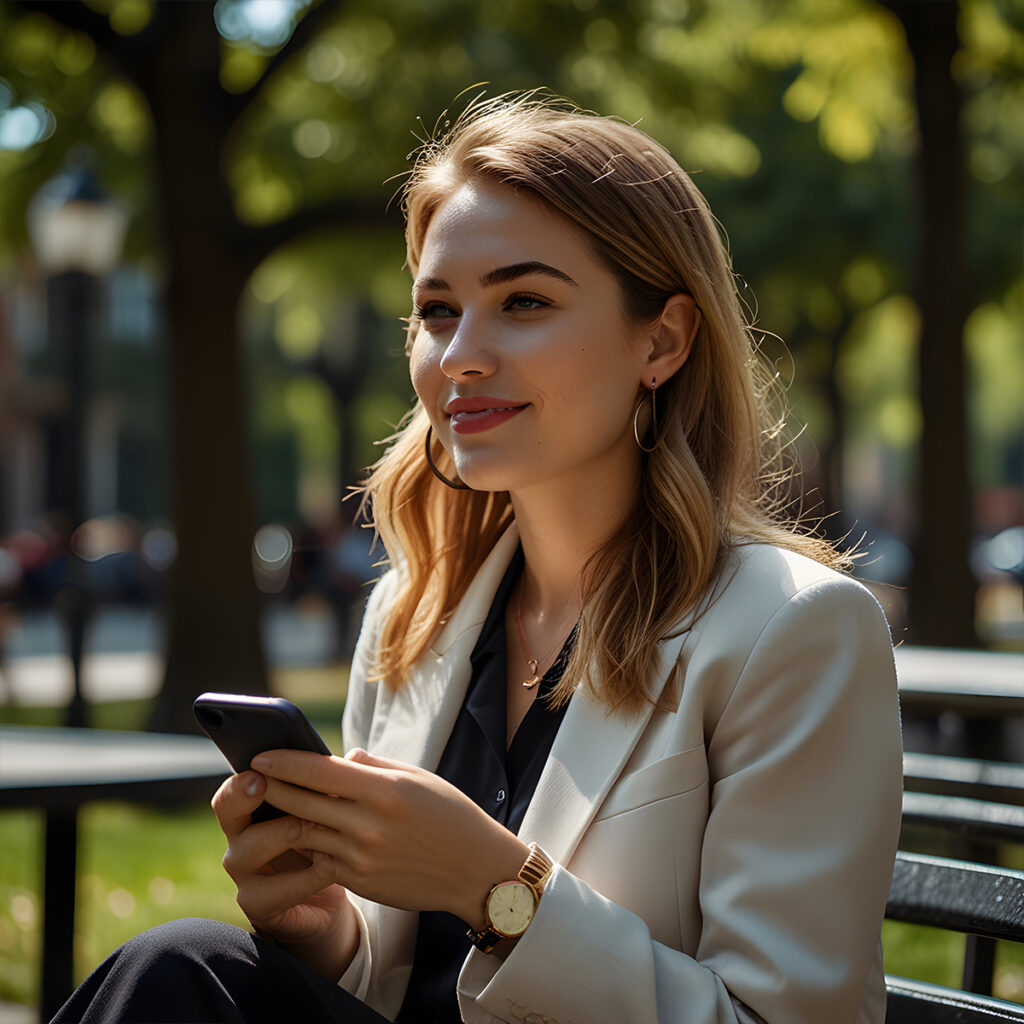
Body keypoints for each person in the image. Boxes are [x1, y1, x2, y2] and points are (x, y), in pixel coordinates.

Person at [54, 91, 902, 1024]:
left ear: (660, 340)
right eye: (437, 310)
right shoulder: (414, 617)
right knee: (191, 964)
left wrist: (500, 889)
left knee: (178, 975)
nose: (459, 355)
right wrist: (322, 929)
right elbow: (399, 982)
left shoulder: (794, 629)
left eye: (524, 302)